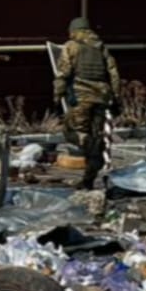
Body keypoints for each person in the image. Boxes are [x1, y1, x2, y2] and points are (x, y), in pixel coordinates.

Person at [54, 17, 122, 191]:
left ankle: (93, 154)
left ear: (73, 31)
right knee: (95, 135)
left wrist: (57, 95)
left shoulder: (71, 46)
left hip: (80, 96)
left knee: (74, 132)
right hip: (101, 97)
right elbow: (113, 73)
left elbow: (63, 72)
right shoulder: (101, 47)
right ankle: (89, 177)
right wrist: (116, 97)